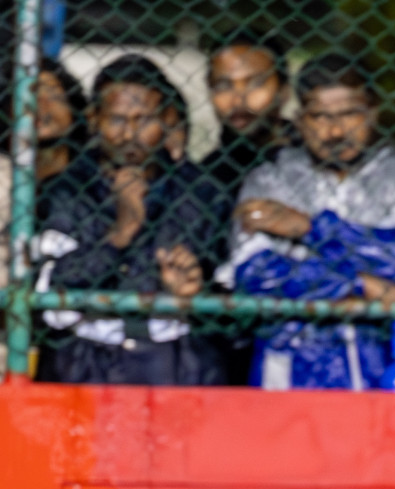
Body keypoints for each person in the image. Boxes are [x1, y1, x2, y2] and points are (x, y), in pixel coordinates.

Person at [229, 54, 395, 390]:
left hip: (381, 364)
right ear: (300, 120)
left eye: (350, 114)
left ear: (373, 113)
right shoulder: (270, 181)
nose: (336, 131)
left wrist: (311, 229)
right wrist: (362, 284)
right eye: (320, 117)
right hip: (289, 365)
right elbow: (255, 274)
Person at [33, 55, 223, 385]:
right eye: (117, 120)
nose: (129, 135)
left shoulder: (201, 193)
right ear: (94, 119)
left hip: (175, 361)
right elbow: (48, 298)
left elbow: (233, 302)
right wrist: (120, 234)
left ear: (167, 119)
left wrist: (196, 291)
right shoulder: (66, 191)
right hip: (83, 362)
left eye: (144, 120)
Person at [1, 56, 88, 291]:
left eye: (53, 95)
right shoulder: (3, 179)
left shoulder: (94, 179)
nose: (40, 105)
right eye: (27, 95)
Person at [200, 36, 293, 220]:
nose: (238, 101)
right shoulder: (205, 176)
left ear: (283, 92)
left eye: (256, 84)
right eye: (223, 86)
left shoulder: (313, 159)